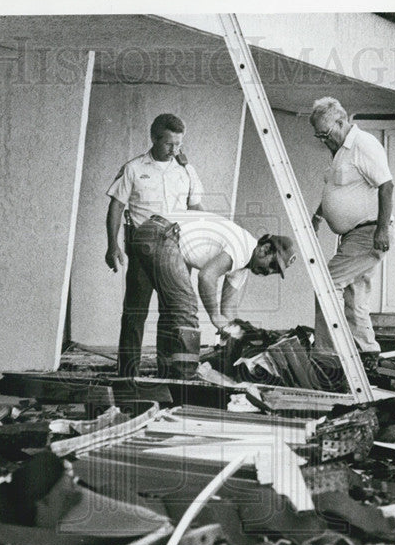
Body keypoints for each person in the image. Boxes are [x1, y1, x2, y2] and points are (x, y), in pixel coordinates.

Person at [128, 210, 297, 379]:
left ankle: (159, 377)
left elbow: (229, 312)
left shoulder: (243, 268)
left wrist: (240, 335)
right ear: (265, 249)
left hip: (151, 232)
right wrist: (215, 316)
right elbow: (207, 277)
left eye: (274, 272)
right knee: (186, 305)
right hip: (161, 234)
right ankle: (184, 377)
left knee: (170, 311)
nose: (268, 272)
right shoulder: (244, 248)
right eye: (273, 265)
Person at [106, 113, 204, 377]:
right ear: (154, 138)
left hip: (177, 250)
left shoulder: (186, 170)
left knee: (172, 313)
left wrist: (201, 242)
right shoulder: (134, 168)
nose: (174, 150)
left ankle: (165, 374)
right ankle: (127, 375)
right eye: (169, 143)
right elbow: (116, 206)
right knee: (134, 313)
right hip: (143, 250)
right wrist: (112, 245)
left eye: (179, 144)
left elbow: (196, 208)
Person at [308, 97, 394, 364]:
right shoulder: (340, 151)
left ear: (341, 122)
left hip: (368, 233)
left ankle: (326, 354)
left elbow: (387, 186)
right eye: (319, 136)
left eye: (327, 133)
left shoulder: (362, 144)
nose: (324, 140)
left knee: (327, 283)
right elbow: (341, 188)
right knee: (354, 294)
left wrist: (381, 230)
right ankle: (367, 353)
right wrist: (319, 215)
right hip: (353, 235)